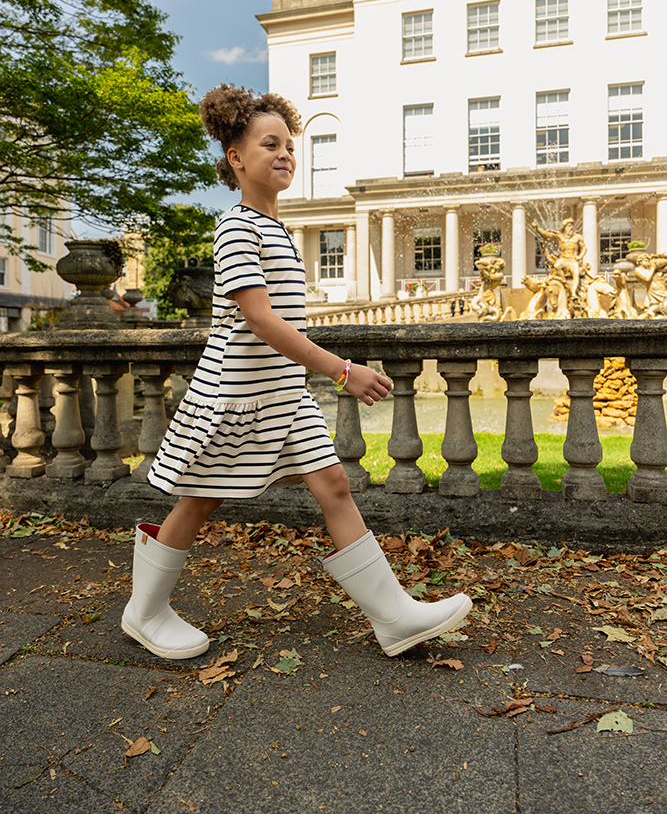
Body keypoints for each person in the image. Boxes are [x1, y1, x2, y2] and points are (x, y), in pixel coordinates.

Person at [122, 85, 472, 661]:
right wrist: (343, 372)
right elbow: (258, 318)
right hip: (236, 396)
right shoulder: (237, 227)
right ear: (236, 158)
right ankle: (146, 610)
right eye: (269, 144)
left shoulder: (279, 230)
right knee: (199, 500)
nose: (285, 154)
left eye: (290, 145)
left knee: (333, 484)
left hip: (281, 392)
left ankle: (394, 618)